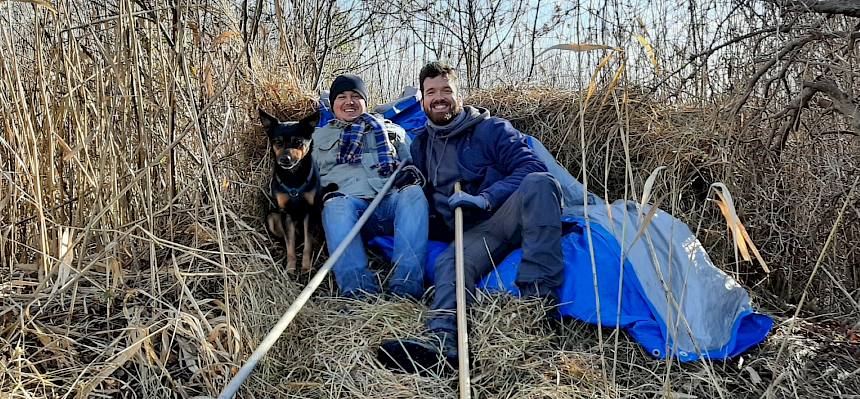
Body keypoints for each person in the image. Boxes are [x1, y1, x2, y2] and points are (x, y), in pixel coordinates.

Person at [409, 61, 565, 361]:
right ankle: (443, 341)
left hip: (507, 213)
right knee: (449, 264)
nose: (439, 97)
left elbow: (531, 167)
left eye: (446, 90)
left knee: (540, 183)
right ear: (423, 99)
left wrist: (485, 198)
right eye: (431, 92)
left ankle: (537, 309)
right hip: (474, 233)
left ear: (460, 95)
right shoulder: (420, 146)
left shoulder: (492, 129)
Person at [314, 74, 429, 300]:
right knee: (335, 206)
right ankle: (359, 292)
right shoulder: (318, 137)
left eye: (356, 96)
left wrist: (409, 175)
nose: (349, 102)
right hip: (350, 208)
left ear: (365, 101)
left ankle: (405, 288)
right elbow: (308, 178)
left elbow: (417, 165)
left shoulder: (391, 130)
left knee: (414, 194)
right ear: (333, 104)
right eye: (342, 97)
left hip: (390, 202)